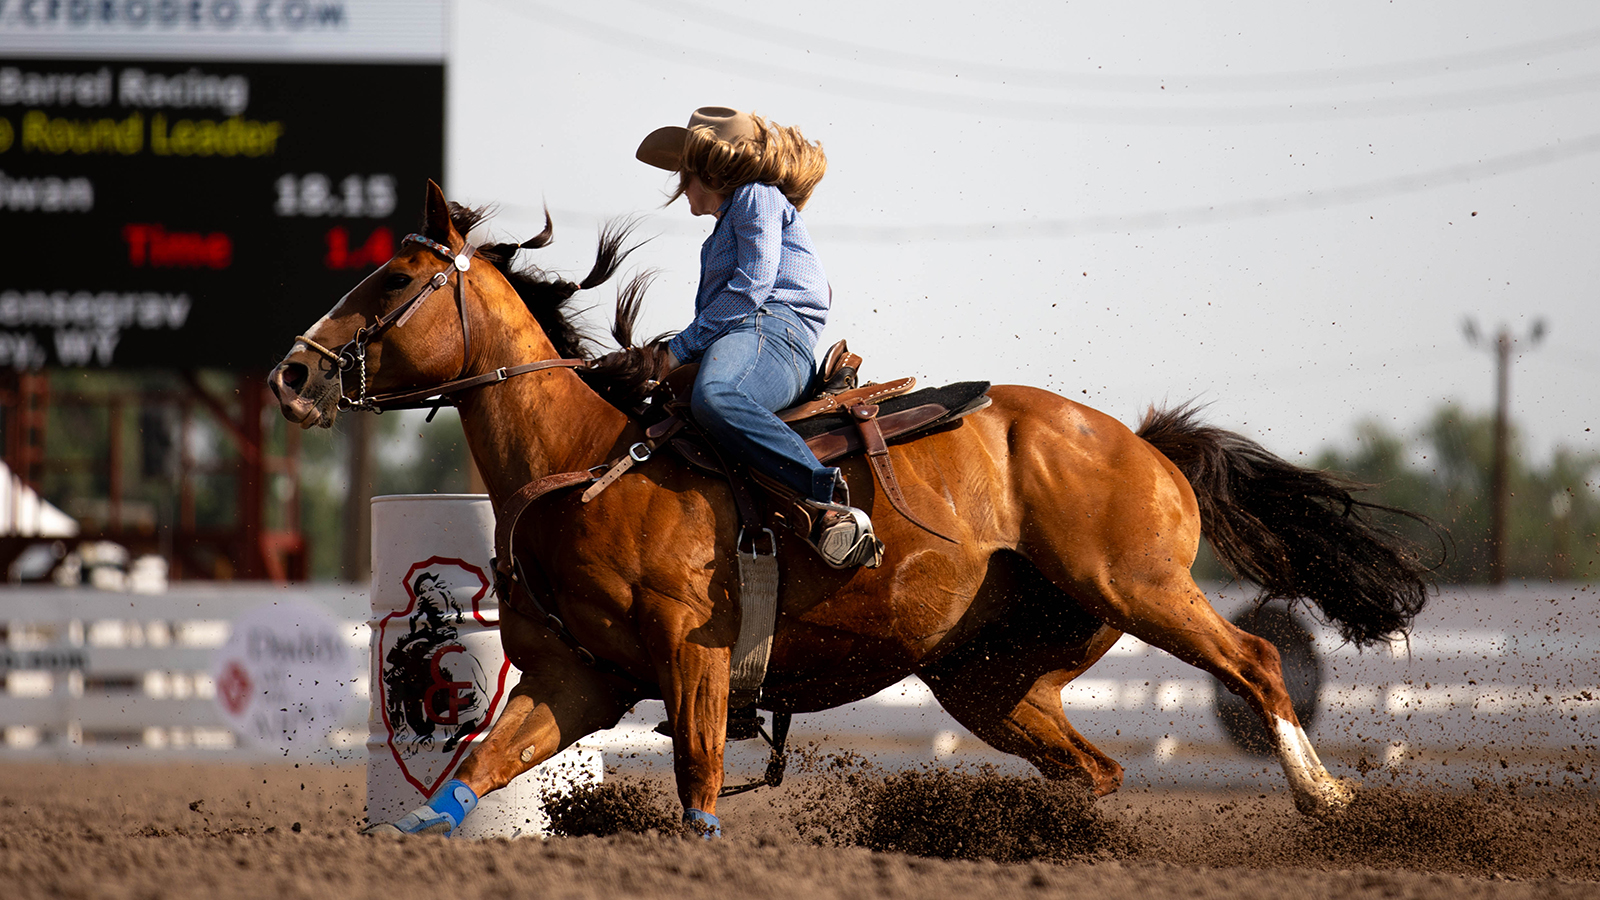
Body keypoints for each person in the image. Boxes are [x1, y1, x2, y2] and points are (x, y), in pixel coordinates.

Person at [635, 106, 881, 569]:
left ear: (708, 170)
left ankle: (824, 500)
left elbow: (753, 284)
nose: (679, 186)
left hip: (772, 330)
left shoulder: (754, 195)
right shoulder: (724, 227)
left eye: (683, 174)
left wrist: (678, 351)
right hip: (757, 333)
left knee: (716, 394)